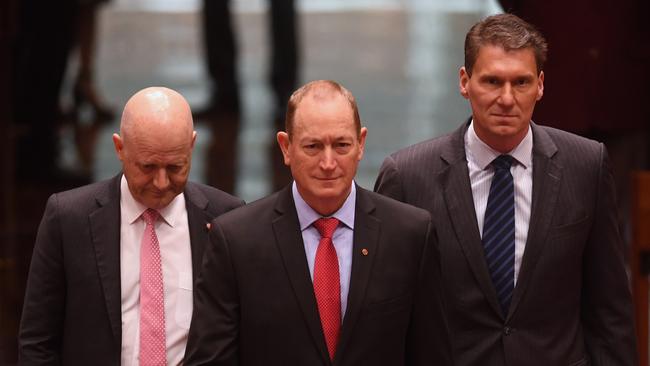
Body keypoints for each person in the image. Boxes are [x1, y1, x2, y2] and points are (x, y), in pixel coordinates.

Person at [374, 14, 638, 366]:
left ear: (541, 85)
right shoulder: (408, 177)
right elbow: (385, 318)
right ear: (464, 82)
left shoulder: (585, 166)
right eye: (493, 81)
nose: (507, 98)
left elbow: (610, 311)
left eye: (521, 82)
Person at [184, 80, 451, 365]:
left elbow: (432, 355)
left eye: (341, 145)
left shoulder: (409, 235)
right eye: (313, 146)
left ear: (360, 144)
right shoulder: (237, 240)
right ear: (286, 148)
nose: (328, 162)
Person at [18, 87, 244, 366]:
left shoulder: (227, 218)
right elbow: (38, 342)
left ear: (192, 145)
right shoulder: (68, 219)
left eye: (175, 167)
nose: (161, 183)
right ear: (119, 148)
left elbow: (245, 337)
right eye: (148, 167)